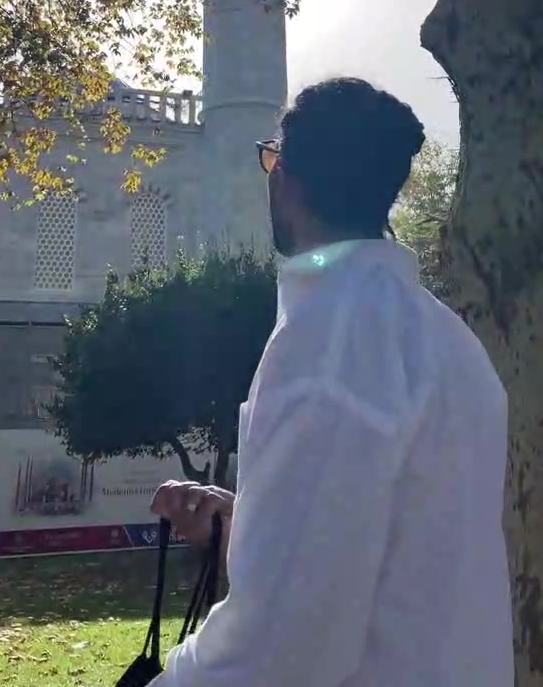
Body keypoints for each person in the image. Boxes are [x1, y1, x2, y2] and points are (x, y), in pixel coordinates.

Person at [151, 77, 514, 687]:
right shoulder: (448, 339)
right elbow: (400, 547)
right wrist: (250, 524)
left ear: (284, 178)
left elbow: (280, 647)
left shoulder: (328, 341)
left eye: (271, 158)